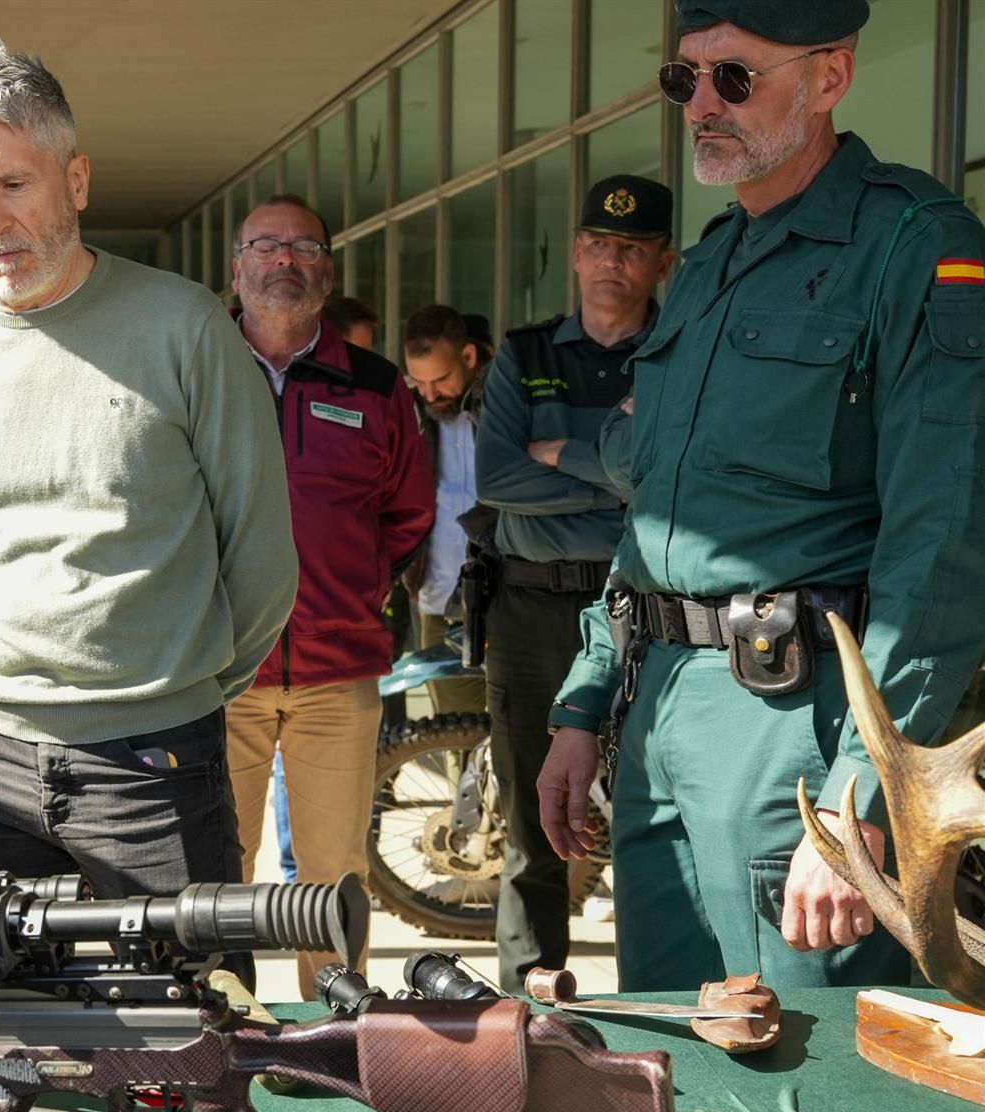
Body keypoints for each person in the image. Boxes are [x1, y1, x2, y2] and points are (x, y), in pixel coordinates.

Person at [539, 0, 985, 991]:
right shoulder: (707, 266)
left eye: (733, 77)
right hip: (660, 725)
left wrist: (868, 786)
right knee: (670, 1074)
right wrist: (585, 702)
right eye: (683, 78)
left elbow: (944, 542)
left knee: (804, 1079)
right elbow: (654, 519)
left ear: (828, 79)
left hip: (801, 728)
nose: (700, 103)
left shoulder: (918, 246)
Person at [0, 44, 296, 898]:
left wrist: (175, 693)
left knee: (186, 1023)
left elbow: (261, 559)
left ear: (78, 180)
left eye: (12, 184)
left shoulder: (188, 328)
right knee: (2, 1027)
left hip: (156, 760)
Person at [475, 173, 675, 993]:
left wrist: (563, 454)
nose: (610, 261)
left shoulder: (677, 354)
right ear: (577, 255)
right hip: (529, 608)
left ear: (661, 262)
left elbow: (671, 482)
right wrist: (615, 471)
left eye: (630, 248)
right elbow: (494, 477)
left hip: (642, 613)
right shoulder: (525, 354)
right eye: (597, 243)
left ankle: (659, 998)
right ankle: (530, 1005)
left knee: (651, 822)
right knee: (533, 825)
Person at [227, 194, 432, 986]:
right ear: (238, 264)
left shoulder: (378, 386)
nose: (284, 261)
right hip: (221, 672)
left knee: (335, 872)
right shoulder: (198, 364)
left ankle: (332, 1038)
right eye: (267, 246)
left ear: (328, 268)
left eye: (303, 247)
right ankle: (223, 1030)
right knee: (216, 869)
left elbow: (407, 512)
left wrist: (352, 590)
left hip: (337, 671)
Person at [401, 305, 488, 717]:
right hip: (437, 600)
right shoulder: (411, 416)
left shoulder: (504, 406)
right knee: (456, 735)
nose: (430, 394)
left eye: (440, 380)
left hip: (508, 602)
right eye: (419, 383)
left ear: (469, 357)